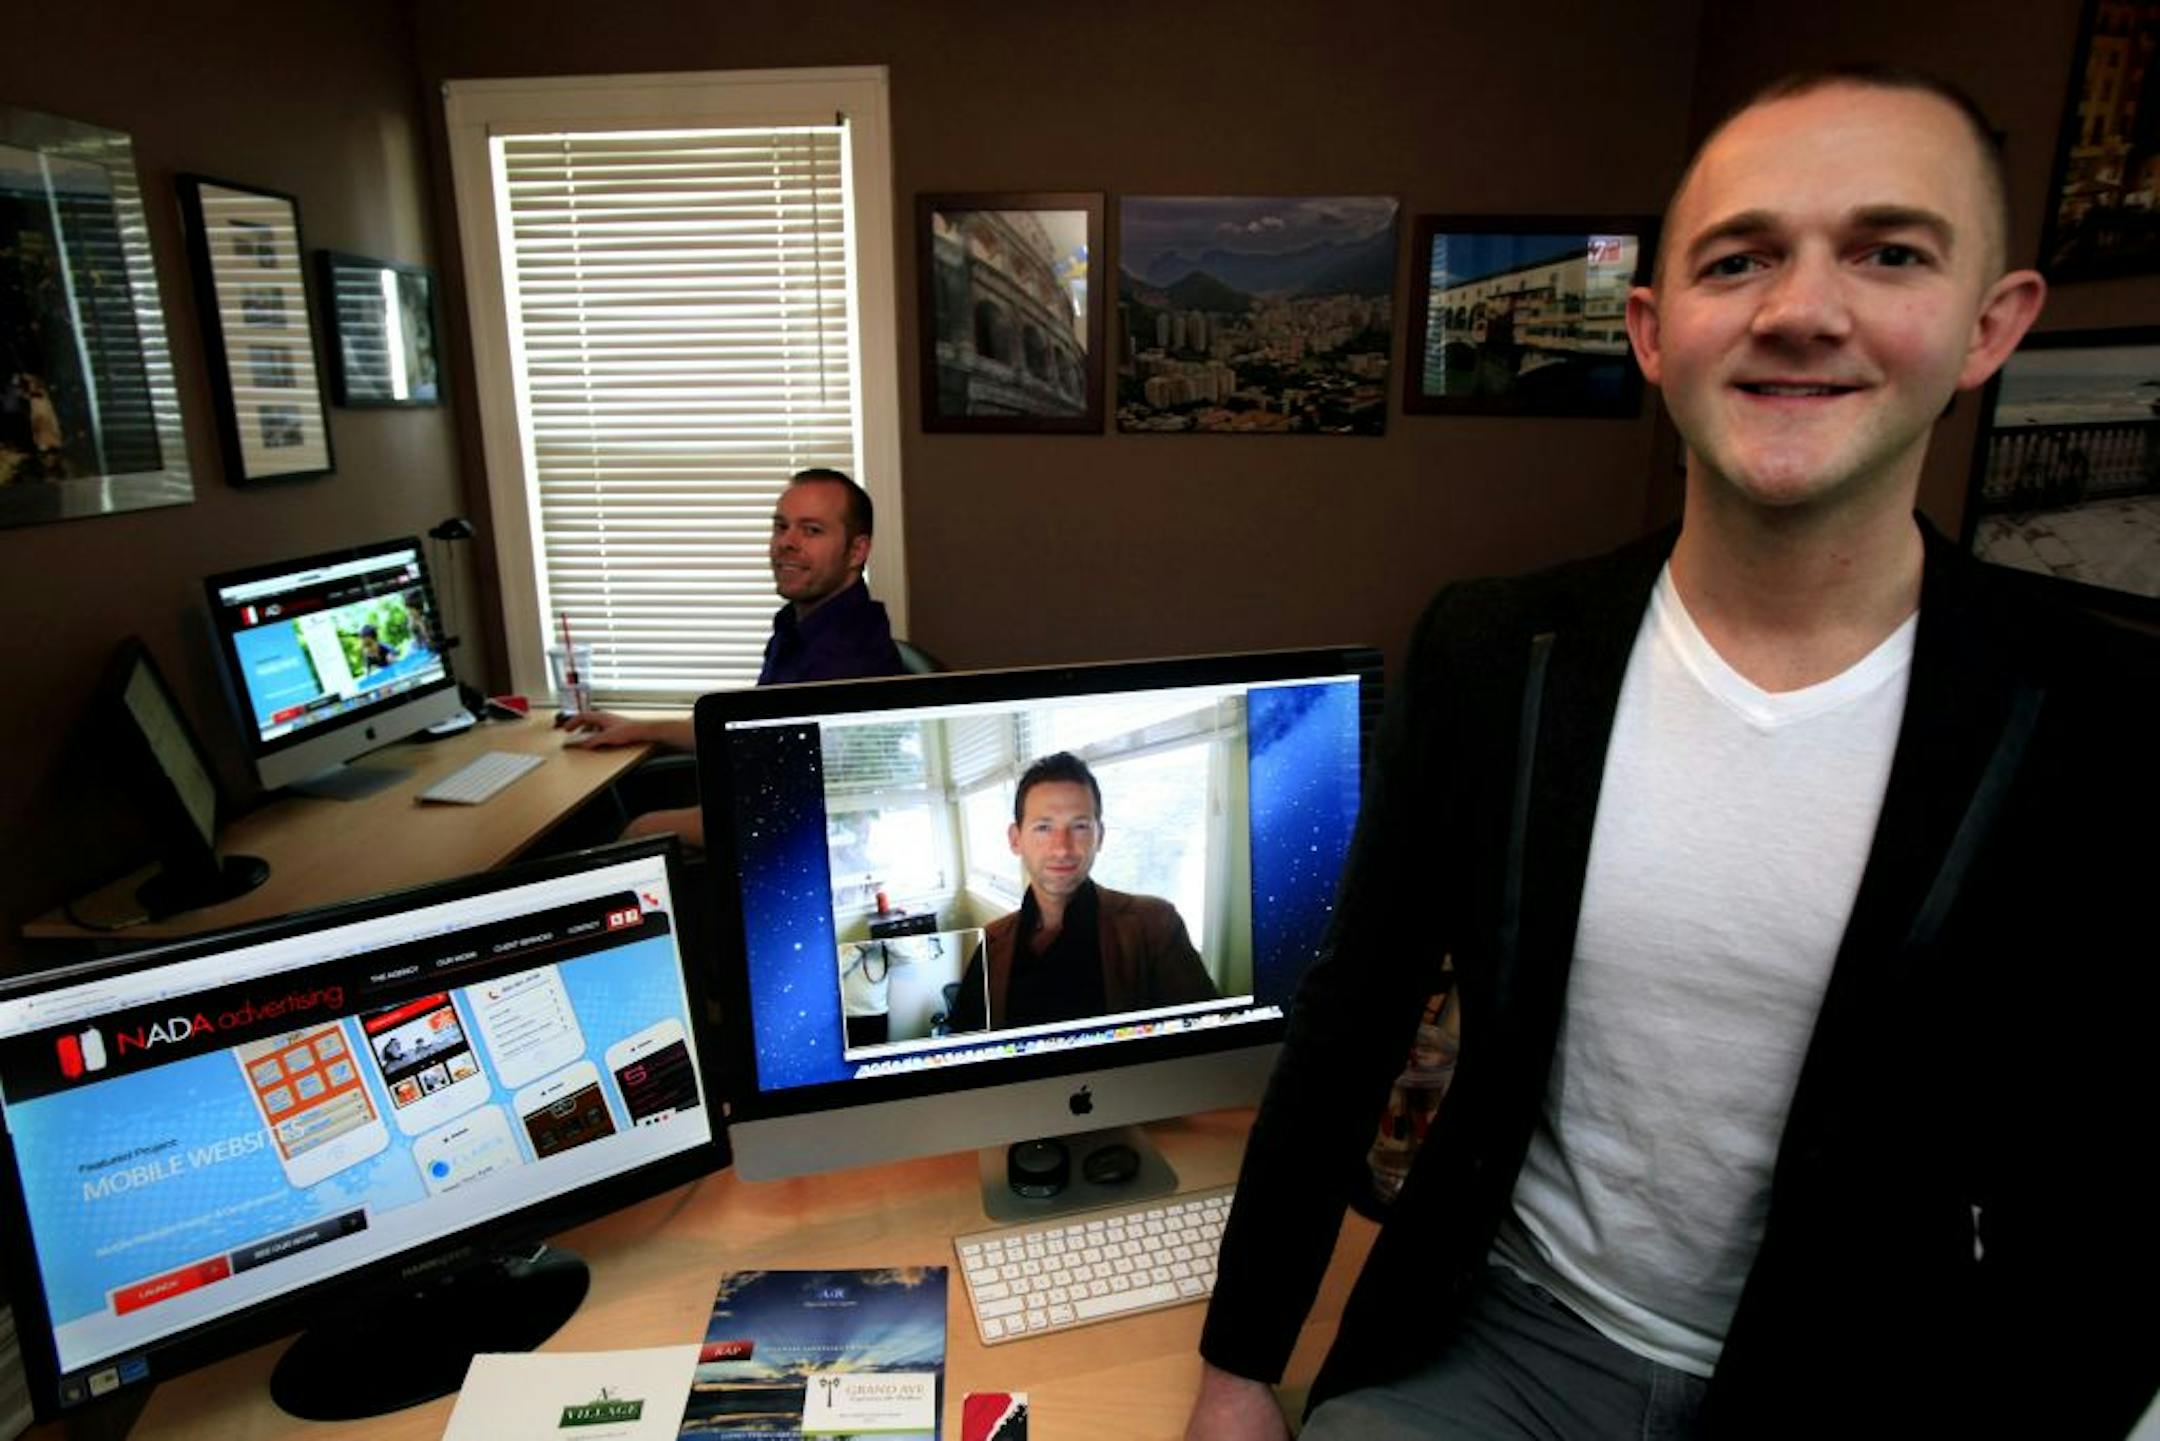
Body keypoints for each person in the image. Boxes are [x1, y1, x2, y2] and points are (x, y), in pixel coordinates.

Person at [1188, 67, 2157, 1441]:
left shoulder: (2098, 715)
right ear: (1652, 329)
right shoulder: (1494, 650)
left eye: (1889, 253)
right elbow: (1351, 1021)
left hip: (1860, 1377)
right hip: (1504, 1343)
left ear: (1991, 325)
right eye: (1741, 257)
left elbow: (2116, 1199)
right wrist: (1240, 1368)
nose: (1803, 309)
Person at [561, 468, 908, 845]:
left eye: (811, 530)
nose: (786, 543)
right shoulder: (804, 624)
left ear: (856, 551)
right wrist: (642, 728)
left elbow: (782, 814)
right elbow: (751, 731)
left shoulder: (844, 662)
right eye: (781, 526)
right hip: (754, 797)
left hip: (785, 839)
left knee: (626, 830)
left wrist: (644, 832)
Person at [947, 751, 1218, 1032]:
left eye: (1079, 826)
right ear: (1016, 840)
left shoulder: (1154, 926)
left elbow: (1210, 1042)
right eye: (1043, 827)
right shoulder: (992, 945)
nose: (1062, 848)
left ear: (1099, 836)